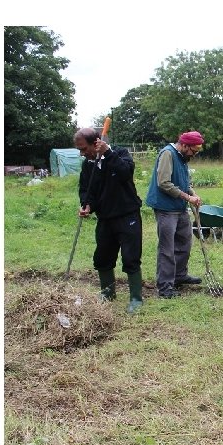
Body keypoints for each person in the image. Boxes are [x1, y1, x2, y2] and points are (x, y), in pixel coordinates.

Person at [74, 127, 143, 314]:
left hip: (127, 215)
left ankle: (136, 299)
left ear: (96, 143)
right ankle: (107, 293)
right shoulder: (88, 165)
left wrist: (108, 154)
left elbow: (126, 173)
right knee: (102, 257)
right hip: (105, 218)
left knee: (130, 257)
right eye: (79, 150)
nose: (82, 154)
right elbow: (86, 189)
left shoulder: (119, 154)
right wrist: (87, 205)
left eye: (84, 149)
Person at [145, 131, 204, 299]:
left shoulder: (183, 157)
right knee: (167, 248)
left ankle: (179, 275)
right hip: (165, 208)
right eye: (193, 151)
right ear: (184, 145)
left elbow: (183, 181)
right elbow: (164, 183)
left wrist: (193, 193)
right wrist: (188, 197)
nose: (194, 155)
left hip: (179, 206)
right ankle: (165, 287)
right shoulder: (168, 154)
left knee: (185, 242)